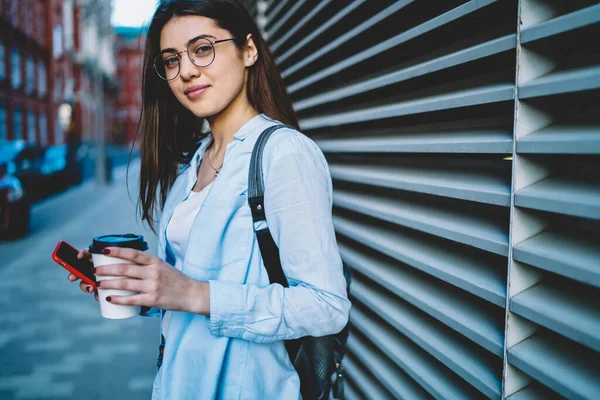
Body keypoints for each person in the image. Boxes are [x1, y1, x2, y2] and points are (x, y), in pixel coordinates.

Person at [68, 0, 350, 398]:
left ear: (248, 50)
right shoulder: (195, 161)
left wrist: (192, 293)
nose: (185, 71)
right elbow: (187, 282)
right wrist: (137, 286)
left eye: (202, 49)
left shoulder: (283, 154)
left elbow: (326, 305)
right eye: (170, 60)